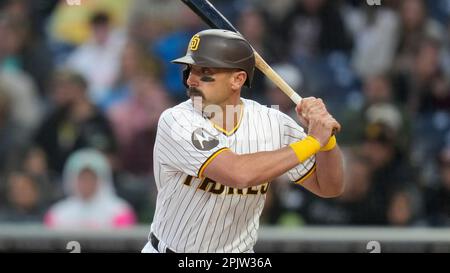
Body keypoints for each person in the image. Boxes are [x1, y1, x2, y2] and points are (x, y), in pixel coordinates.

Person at [141, 29, 344, 253]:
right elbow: (238, 173)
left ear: (238, 79)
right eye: (190, 69)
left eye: (205, 71)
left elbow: (329, 186)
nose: (191, 79)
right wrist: (313, 140)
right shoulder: (176, 120)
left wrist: (326, 140)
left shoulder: (272, 122)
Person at [44, 149, 136, 229]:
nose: (87, 183)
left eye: (91, 178)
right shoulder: (57, 213)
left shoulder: (120, 211)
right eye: (82, 178)